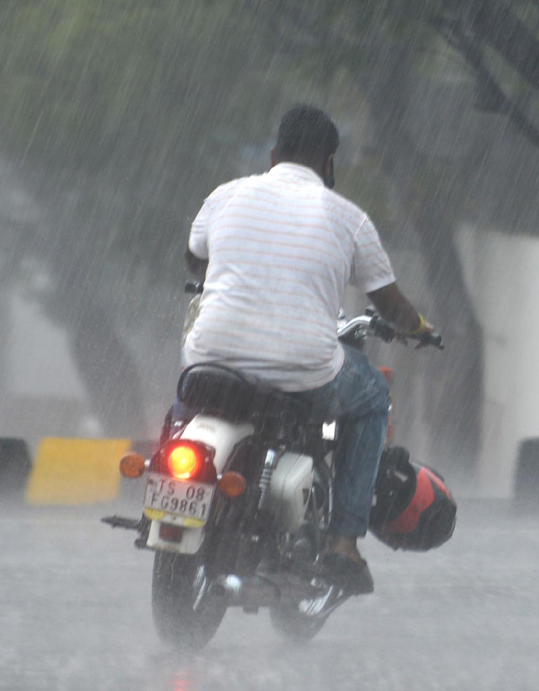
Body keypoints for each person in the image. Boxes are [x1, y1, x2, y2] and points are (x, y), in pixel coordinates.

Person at [182, 105, 435, 594]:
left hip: (208, 363)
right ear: (330, 163)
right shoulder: (348, 219)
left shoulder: (224, 196)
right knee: (372, 399)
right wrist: (420, 328)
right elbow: (392, 305)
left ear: (274, 153)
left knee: (191, 394)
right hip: (300, 375)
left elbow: (194, 261)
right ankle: (343, 541)